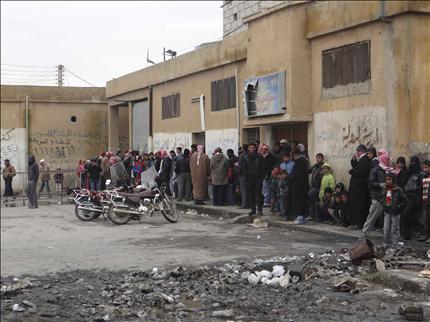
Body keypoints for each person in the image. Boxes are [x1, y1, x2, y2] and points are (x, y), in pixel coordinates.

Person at [362, 149, 393, 237]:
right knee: (372, 215)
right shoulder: (375, 170)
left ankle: (388, 232)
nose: (388, 161)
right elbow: (371, 182)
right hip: (378, 196)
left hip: (389, 196)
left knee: (388, 216)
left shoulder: (390, 170)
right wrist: (380, 185)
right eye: (386, 160)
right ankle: (365, 231)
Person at [348, 144, 371, 229]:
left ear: (361, 151)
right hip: (357, 188)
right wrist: (353, 160)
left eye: (358, 151)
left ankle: (359, 223)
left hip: (360, 188)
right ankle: (356, 222)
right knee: (356, 205)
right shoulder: (362, 160)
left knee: (359, 206)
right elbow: (357, 167)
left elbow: (361, 172)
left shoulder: (364, 160)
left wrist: (351, 172)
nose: (356, 153)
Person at [382, 173, 405, 251]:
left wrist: (399, 206)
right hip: (387, 211)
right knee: (386, 229)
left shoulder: (398, 190)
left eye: (389, 179)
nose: (388, 181)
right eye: (386, 180)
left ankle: (394, 245)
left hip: (395, 212)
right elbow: (382, 198)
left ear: (393, 180)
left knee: (394, 229)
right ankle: (386, 244)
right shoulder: (385, 189)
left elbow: (404, 200)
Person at [288, 144, 309, 224]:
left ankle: (300, 216)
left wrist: (291, 177)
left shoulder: (301, 161)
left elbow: (298, 174)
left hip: (300, 186)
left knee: (300, 201)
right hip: (296, 185)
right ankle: (298, 215)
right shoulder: (297, 162)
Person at [401, 156, 421, 240]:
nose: (412, 164)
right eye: (411, 162)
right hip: (407, 196)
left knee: (407, 214)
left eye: (414, 163)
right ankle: (406, 234)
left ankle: (413, 231)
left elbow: (420, 186)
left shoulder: (421, 174)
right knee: (406, 214)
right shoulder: (408, 172)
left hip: (415, 197)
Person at [243, 142, 264, 216]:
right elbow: (244, 168)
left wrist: (262, 177)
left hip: (258, 178)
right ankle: (253, 209)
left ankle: (260, 209)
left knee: (258, 194)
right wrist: (246, 177)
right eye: (250, 148)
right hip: (249, 179)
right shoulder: (246, 157)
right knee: (251, 195)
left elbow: (262, 167)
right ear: (248, 149)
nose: (251, 149)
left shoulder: (259, 157)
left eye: (253, 147)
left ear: (255, 148)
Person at [308, 153, 325, 220]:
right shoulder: (315, 166)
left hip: (319, 187)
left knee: (312, 198)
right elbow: (309, 171)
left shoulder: (323, 166)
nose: (317, 159)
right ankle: (312, 215)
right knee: (312, 201)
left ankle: (315, 216)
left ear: (322, 158)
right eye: (317, 158)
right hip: (313, 186)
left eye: (319, 158)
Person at [417, 160, 430, 242]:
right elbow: (421, 188)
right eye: (423, 168)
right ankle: (426, 235)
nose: (424, 169)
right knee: (425, 219)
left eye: (426, 167)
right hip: (424, 200)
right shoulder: (423, 176)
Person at [238, 144, 249, 209]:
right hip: (249, 174)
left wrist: (239, 174)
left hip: (243, 174)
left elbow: (240, 166)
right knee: (248, 190)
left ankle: (244, 204)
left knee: (243, 190)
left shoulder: (242, 156)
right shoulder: (249, 155)